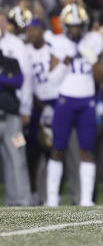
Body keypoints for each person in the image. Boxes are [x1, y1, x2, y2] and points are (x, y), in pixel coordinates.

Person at [45, 4, 103, 207]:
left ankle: (86, 199)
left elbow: (102, 76)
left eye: (78, 26)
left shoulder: (93, 41)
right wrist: (65, 61)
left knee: (86, 149)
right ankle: (52, 198)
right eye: (71, 26)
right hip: (65, 99)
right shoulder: (58, 43)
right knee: (57, 148)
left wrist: (91, 57)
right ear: (64, 26)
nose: (75, 30)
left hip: (87, 100)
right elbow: (52, 79)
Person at [24, 18, 59, 205]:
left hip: (55, 102)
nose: (31, 33)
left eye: (35, 29)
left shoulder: (52, 47)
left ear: (42, 31)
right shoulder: (25, 51)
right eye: (29, 30)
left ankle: (54, 195)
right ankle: (33, 193)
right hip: (35, 105)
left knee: (54, 150)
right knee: (33, 152)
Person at [0, 10, 33, 206]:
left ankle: (22, 201)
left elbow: (23, 79)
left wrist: (25, 108)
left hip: (12, 111)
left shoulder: (14, 47)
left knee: (17, 156)